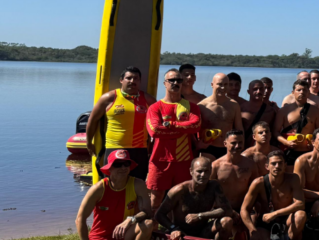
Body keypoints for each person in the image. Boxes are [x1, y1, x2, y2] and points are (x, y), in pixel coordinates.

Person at [76, 150, 155, 240]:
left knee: (148, 224)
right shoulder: (99, 188)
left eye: (126, 164)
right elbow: (80, 219)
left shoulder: (138, 184)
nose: (123, 168)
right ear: (109, 168)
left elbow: (147, 212)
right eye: (118, 164)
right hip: (101, 236)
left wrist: (131, 220)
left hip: (126, 233)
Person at [85, 66, 156, 183]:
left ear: (140, 81)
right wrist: (89, 142)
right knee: (113, 184)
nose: (132, 81)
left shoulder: (148, 100)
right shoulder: (109, 98)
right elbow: (92, 121)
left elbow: (156, 124)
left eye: (136, 79)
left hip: (139, 149)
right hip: (114, 147)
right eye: (128, 78)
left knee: (137, 184)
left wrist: (152, 145)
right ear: (121, 80)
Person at [146, 69, 203, 206]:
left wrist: (171, 125)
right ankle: (153, 226)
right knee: (155, 198)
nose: (175, 83)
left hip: (183, 160)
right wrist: (182, 129)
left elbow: (195, 126)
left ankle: (175, 226)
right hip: (159, 160)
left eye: (179, 80)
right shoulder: (155, 108)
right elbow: (154, 130)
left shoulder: (192, 107)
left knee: (181, 197)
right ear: (165, 83)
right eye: (171, 80)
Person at [156, 155, 235, 240]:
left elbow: (227, 210)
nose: (203, 175)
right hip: (182, 233)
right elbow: (159, 214)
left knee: (227, 221)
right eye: (199, 171)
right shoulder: (179, 190)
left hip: (203, 231)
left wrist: (200, 216)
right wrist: (173, 228)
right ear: (191, 171)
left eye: (206, 171)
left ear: (210, 171)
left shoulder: (214, 186)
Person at [240, 151, 306, 240]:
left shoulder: (293, 179)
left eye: (280, 163)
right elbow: (244, 209)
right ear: (267, 166)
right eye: (273, 163)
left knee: (301, 215)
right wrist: (252, 229)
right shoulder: (258, 183)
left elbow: (300, 204)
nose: (277, 166)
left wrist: (275, 214)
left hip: (285, 220)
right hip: (266, 221)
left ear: (285, 165)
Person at [274, 79, 319, 169]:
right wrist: (286, 142)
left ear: (308, 93)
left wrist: (314, 143)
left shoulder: (315, 111)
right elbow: (276, 132)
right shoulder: (284, 111)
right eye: (299, 90)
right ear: (293, 92)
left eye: (305, 90)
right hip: (289, 151)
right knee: (290, 178)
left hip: (308, 152)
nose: (302, 92)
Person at [197, 73, 244, 158]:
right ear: (212, 85)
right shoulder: (202, 106)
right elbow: (195, 130)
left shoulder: (234, 105)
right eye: (220, 84)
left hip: (228, 148)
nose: (223, 88)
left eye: (226, 84)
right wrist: (198, 145)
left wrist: (240, 146)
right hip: (208, 148)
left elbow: (239, 128)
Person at [210, 130, 258, 212]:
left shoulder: (251, 165)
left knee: (253, 221)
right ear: (225, 144)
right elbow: (208, 190)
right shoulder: (216, 166)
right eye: (233, 143)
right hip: (222, 209)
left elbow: (257, 188)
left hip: (243, 208)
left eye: (240, 142)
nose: (237, 146)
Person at [239, 79, 270, 147]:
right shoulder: (241, 109)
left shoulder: (270, 111)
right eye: (255, 89)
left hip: (263, 148)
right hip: (244, 147)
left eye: (261, 89)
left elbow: (273, 132)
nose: (258, 91)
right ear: (248, 91)